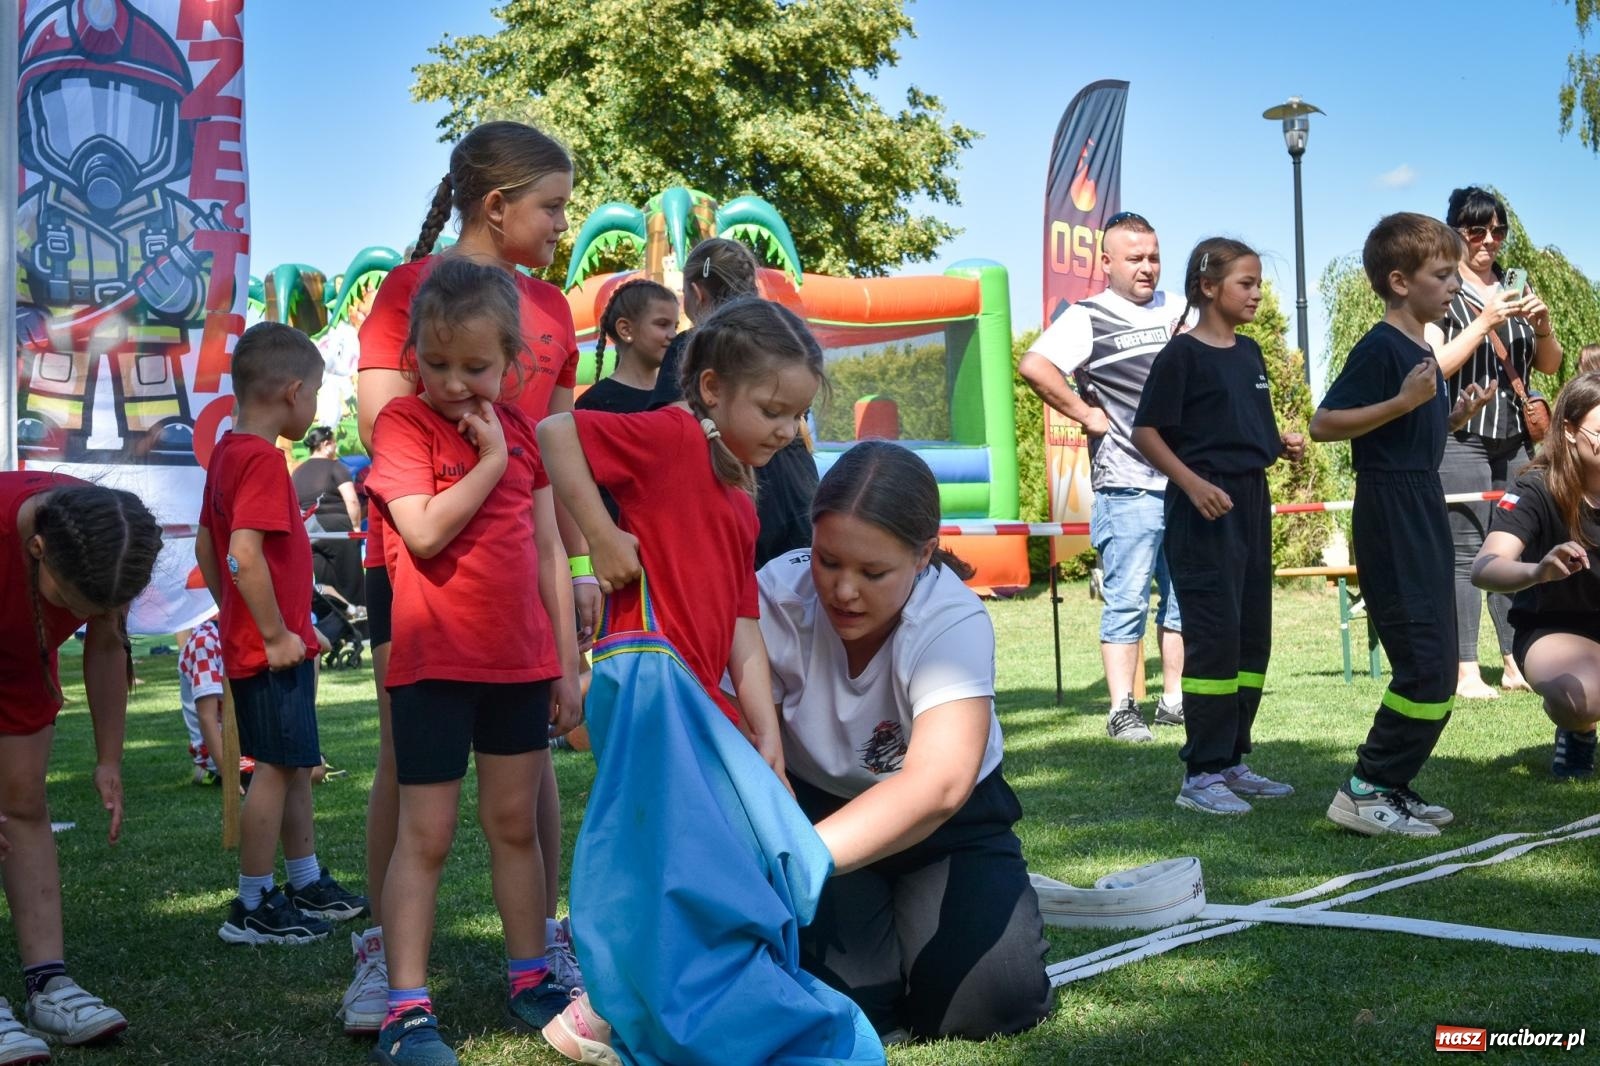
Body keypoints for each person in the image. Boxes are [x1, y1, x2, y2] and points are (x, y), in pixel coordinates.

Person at [536, 297, 824, 1064]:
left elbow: (742, 622)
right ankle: (601, 1009)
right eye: (771, 410)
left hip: (702, 699)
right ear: (709, 390)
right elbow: (555, 433)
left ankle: (638, 1003)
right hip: (648, 682)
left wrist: (762, 727)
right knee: (666, 855)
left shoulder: (742, 491)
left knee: (712, 852)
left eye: (796, 417)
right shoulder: (667, 438)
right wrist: (601, 537)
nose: (786, 431)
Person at [350, 120, 586, 1035]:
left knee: (524, 786)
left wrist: (573, 561)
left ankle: (541, 950)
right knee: (412, 770)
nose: (561, 224)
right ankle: (385, 956)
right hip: (420, 577)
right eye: (551, 207)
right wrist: (479, 462)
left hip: (519, 591)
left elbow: (551, 452)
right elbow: (390, 431)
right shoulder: (407, 294)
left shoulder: (557, 311)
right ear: (498, 205)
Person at [756, 441, 1052, 1042]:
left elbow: (938, 785)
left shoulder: (953, 619)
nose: (842, 591)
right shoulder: (772, 596)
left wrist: (799, 863)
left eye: (872, 573)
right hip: (818, 811)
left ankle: (990, 904)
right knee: (852, 1010)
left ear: (922, 555)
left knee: (989, 1006)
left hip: (948, 828)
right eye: (828, 561)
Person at [1312, 213, 1496, 837]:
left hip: (1421, 499)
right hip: (1390, 510)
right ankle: (1363, 788)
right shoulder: (1381, 347)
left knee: (1439, 659)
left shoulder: (1423, 347)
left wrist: (1447, 416)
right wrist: (1403, 402)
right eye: (1442, 274)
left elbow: (1403, 431)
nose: (1453, 284)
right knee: (1423, 661)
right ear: (1399, 280)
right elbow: (1324, 423)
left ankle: (1391, 783)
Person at [196, 322, 368, 947]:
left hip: (273, 644)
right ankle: (252, 904)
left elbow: (206, 547)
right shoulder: (264, 461)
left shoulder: (227, 452)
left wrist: (238, 614)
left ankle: (304, 880)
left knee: (295, 765)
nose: (318, 406)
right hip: (273, 650)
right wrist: (269, 633)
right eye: (318, 393)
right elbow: (242, 552)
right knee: (273, 768)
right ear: (294, 392)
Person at [1131, 238, 1306, 816]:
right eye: (1246, 283)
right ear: (1209, 287)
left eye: (1258, 284)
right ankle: (1200, 774)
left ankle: (1232, 760)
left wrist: (1278, 445)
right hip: (1203, 507)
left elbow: (1240, 426)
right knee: (1214, 635)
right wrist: (1191, 483)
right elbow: (1147, 433)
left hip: (1251, 502)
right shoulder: (1180, 356)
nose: (1257, 294)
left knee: (1251, 636)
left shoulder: (1250, 353)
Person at [0, 474, 159, 1060]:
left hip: (20, 663)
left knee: (22, 803)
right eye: (67, 601)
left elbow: (107, 645)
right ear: (37, 550)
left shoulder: (107, 541)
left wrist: (108, 759)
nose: (74, 615)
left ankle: (48, 983)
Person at [1019, 211, 1188, 741]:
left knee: (1183, 599)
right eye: (1134, 258)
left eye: (1154, 257)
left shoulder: (1183, 310)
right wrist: (1085, 413)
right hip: (1127, 483)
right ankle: (1122, 709)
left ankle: (1176, 702)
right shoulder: (1088, 316)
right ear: (1106, 261)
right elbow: (1035, 365)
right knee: (1128, 600)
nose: (1147, 268)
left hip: (1185, 484)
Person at [1428, 187, 1563, 700]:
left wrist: (1543, 326)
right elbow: (1434, 366)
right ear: (1454, 232)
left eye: (1498, 230)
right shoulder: (1440, 289)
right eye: (1476, 230)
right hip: (1462, 436)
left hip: (1517, 439)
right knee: (1466, 553)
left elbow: (1547, 365)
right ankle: (1465, 668)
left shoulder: (1514, 284)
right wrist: (1485, 322)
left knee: (1517, 547)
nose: (1489, 240)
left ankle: (1514, 659)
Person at [647, 238, 820, 567]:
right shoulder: (782, 336)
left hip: (752, 507)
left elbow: (668, 433)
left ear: (696, 293)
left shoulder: (694, 345)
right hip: (802, 499)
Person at [1471, 371, 1600, 779]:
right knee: (1582, 697)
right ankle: (1578, 729)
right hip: (1553, 630)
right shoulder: (1535, 488)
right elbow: (1485, 568)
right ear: (1569, 430)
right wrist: (1539, 570)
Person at [177, 616, 255, 787]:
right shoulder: (204, 642)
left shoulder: (235, 628)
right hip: (224, 751)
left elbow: (321, 644)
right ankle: (213, 771)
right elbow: (207, 717)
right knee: (291, 769)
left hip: (244, 743)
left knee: (300, 765)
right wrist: (229, 774)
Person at [292, 425, 363, 608]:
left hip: (309, 532)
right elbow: (352, 500)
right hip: (337, 528)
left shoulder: (297, 472)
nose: (336, 447)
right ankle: (361, 620)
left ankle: (336, 622)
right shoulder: (335, 467)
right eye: (334, 443)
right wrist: (356, 527)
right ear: (325, 444)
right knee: (350, 581)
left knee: (324, 582)